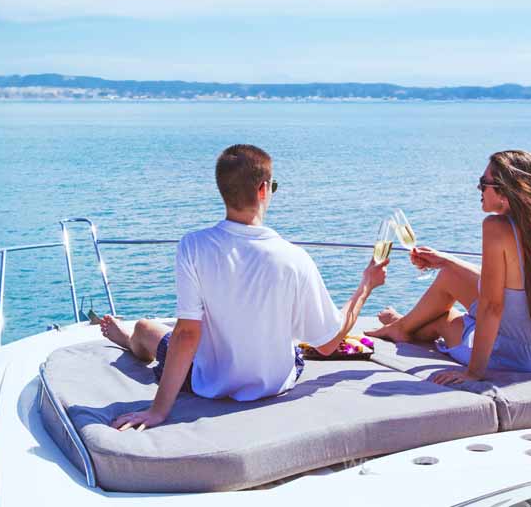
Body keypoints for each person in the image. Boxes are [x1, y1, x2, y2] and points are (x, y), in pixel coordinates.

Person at [100, 144, 388, 431]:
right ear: (264, 190)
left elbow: (187, 334)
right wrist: (366, 285)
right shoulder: (294, 258)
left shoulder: (194, 246)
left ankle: (129, 340)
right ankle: (130, 338)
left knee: (146, 328)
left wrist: (158, 410)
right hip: (275, 384)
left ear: (222, 190)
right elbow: (326, 344)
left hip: (207, 383)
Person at [367, 150, 531, 384]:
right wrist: (446, 260)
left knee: (444, 319)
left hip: (516, 357)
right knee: (449, 274)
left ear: (505, 190)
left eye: (484, 184)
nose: (478, 189)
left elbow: (492, 306)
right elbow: (513, 282)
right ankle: (402, 325)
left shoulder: (496, 227)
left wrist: (473, 373)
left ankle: (403, 327)